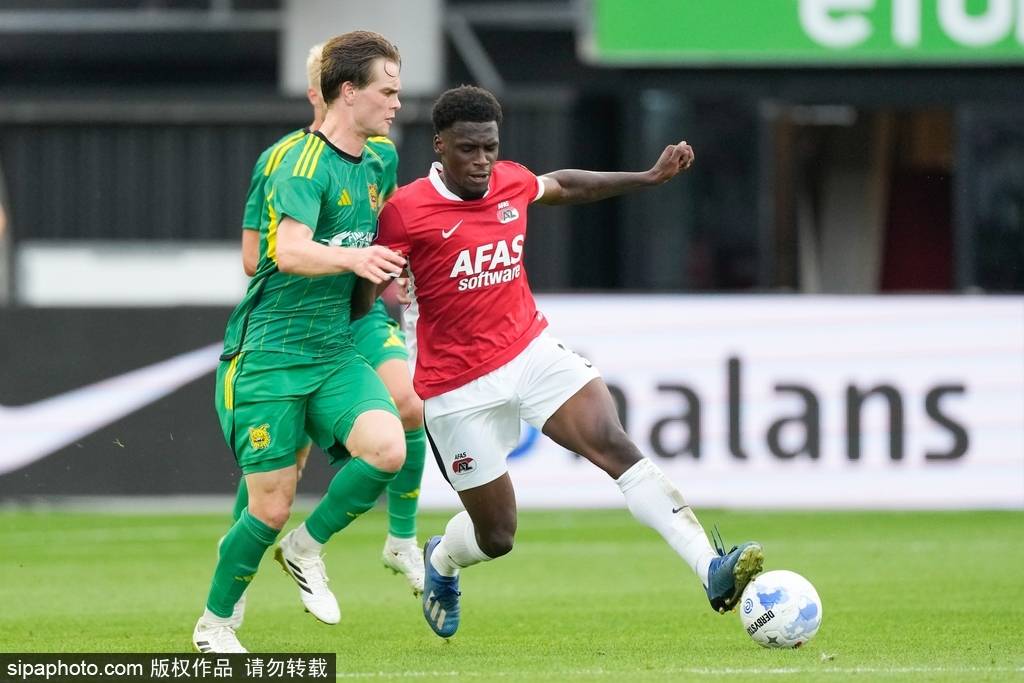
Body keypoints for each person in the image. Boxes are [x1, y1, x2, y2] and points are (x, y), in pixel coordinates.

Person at [375, 85, 764, 639]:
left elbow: (564, 185)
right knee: (497, 536)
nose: (482, 160)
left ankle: (710, 568)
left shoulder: (509, 180)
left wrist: (647, 177)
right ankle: (442, 558)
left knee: (613, 443)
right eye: (468, 149)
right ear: (440, 145)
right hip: (456, 387)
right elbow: (365, 288)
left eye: (490, 147)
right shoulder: (405, 212)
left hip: (529, 351)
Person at [192, 30, 409, 654]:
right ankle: (215, 625)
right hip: (269, 356)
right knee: (268, 506)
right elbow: (285, 251)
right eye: (387, 91)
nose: (397, 103)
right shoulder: (299, 163)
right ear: (349, 92)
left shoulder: (378, 160)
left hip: (334, 348)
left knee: (388, 447)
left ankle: (306, 547)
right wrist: (357, 259)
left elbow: (389, 228)